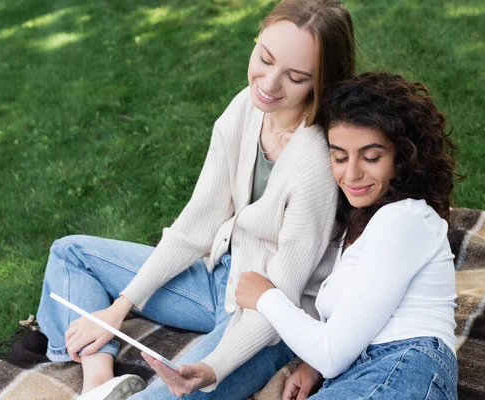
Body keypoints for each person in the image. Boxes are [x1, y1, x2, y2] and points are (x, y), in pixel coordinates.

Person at [35, 1, 356, 399]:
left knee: (177, 391)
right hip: (222, 278)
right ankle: (99, 384)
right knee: (71, 255)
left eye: (295, 77)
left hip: (274, 320)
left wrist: (212, 367)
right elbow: (195, 226)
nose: (269, 84)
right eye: (265, 58)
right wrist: (118, 309)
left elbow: (281, 301)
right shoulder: (244, 108)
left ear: (322, 83)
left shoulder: (315, 159)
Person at [236, 72, 461, 399]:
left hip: (401, 369)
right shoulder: (358, 227)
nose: (351, 173)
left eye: (371, 157)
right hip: (371, 373)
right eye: (339, 156)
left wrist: (266, 296)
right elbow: (350, 331)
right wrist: (313, 367)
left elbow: (331, 353)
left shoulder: (405, 219)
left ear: (403, 157)